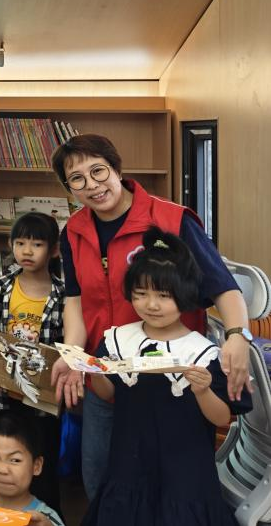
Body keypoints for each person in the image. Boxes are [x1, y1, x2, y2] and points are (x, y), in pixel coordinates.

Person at [49, 133, 248, 502]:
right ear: (68, 188)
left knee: (173, 488)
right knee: (101, 480)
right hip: (107, 377)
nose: (91, 184)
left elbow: (223, 286)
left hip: (172, 384)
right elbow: (75, 301)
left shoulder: (172, 219)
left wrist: (237, 334)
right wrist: (74, 354)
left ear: (117, 169)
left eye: (98, 171)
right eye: (77, 178)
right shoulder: (73, 231)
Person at [82, 227, 250, 525]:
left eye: (163, 295)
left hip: (185, 474)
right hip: (129, 466)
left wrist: (203, 391)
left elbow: (222, 416)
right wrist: (96, 371)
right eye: (141, 294)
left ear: (184, 296)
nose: (151, 305)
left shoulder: (203, 352)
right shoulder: (118, 340)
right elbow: (108, 394)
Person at [0, 212, 65, 512]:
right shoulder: (2, 287)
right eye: (20, 243)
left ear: (54, 250)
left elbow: (64, 346)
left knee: (41, 464)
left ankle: (43, 517)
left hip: (41, 402)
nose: (27, 251)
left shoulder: (62, 294)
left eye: (37, 244)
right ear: (10, 244)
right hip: (3, 395)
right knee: (5, 461)